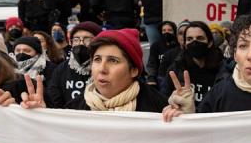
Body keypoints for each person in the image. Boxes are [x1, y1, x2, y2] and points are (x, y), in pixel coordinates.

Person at [25, 29, 165, 113]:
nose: (102, 69)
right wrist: (40, 116)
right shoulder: (75, 109)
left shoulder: (158, 108)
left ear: (134, 70)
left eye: (113, 60)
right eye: (97, 60)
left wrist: (183, 115)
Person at [167, 21, 223, 105]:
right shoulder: (177, 68)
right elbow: (165, 98)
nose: (194, 42)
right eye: (189, 39)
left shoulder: (223, 69)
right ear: (185, 44)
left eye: (200, 38)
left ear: (210, 43)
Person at [47, 21, 101, 108]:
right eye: (76, 40)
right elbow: (54, 97)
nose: (81, 43)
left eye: (88, 39)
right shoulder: (61, 69)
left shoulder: (104, 69)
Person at [146, 20, 179, 92]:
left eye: (170, 30)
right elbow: (152, 64)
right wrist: (151, 79)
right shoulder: (156, 46)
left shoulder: (178, 46)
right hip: (161, 78)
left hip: (175, 78)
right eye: (164, 30)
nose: (166, 32)